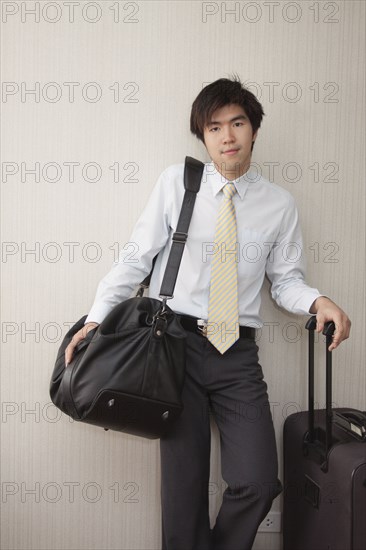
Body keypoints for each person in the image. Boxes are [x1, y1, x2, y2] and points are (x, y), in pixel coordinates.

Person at [65, 76, 351, 550]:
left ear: (253, 129)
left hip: (236, 354)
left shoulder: (279, 205)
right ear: (202, 135)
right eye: (214, 126)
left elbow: (285, 281)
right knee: (183, 492)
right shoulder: (177, 183)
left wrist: (319, 301)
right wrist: (96, 318)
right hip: (170, 348)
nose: (227, 136)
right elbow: (135, 258)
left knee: (258, 481)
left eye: (237, 122)